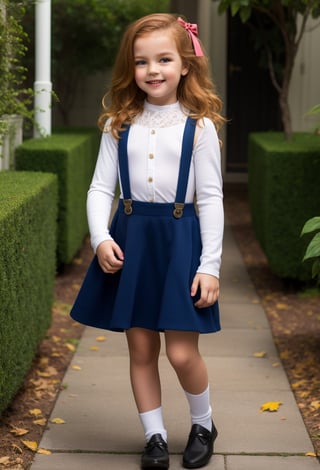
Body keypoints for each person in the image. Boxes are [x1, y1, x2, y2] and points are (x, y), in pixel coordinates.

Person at [70, 12, 225, 470]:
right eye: (142, 62)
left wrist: (210, 265)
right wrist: (100, 237)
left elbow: (212, 198)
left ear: (185, 66)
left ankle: (203, 422)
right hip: (131, 239)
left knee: (181, 351)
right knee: (141, 348)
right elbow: (101, 189)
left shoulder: (199, 127)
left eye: (163, 59)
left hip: (180, 243)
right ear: (130, 68)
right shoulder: (118, 124)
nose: (153, 70)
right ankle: (154, 436)